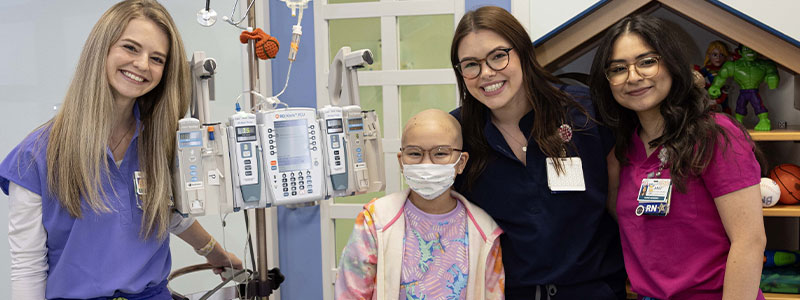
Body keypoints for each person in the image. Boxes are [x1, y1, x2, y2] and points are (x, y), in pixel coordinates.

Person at [0, 1, 242, 299]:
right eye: (130, 48)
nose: (142, 64)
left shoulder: (157, 140)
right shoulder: (35, 157)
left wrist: (215, 253)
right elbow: (28, 267)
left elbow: (166, 212)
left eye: (157, 58)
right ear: (101, 49)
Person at [449, 6, 626, 299]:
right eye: (470, 64)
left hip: (593, 290)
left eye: (498, 56)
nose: (486, 73)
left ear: (522, 52)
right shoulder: (458, 133)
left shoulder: (583, 112)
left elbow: (621, 205)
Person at [588, 15, 767, 299]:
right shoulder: (621, 151)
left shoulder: (716, 136)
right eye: (619, 68)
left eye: (647, 61)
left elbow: (749, 243)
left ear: (671, 63)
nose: (633, 77)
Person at [335, 109, 504, 299]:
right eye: (415, 153)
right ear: (401, 161)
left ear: (461, 162)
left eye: (440, 154)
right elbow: (349, 293)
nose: (427, 164)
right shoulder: (375, 220)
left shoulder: (484, 232)